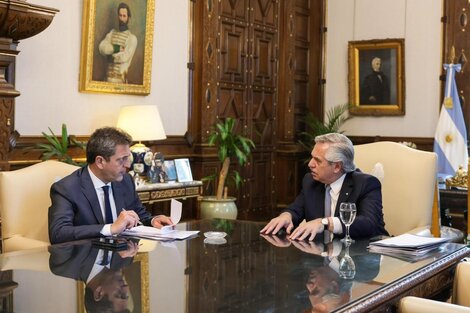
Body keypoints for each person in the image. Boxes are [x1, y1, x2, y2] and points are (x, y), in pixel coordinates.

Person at [48, 127, 173, 244]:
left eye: (128, 158)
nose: (128, 165)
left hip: (120, 258)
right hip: (84, 262)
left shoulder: (126, 180)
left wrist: (153, 220)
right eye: (121, 159)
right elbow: (58, 233)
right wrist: (111, 228)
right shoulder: (66, 189)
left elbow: (139, 214)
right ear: (100, 162)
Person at [260, 133, 388, 241]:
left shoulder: (366, 184)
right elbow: (296, 209)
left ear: (337, 166)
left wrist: (325, 223)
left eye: (318, 160)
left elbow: (368, 224)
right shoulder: (310, 181)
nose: (310, 164)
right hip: (321, 257)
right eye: (312, 158)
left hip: (362, 257)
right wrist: (286, 216)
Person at [49, 239, 139, 313]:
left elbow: (62, 227)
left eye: (119, 294)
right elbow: (139, 222)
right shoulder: (125, 260)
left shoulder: (64, 265)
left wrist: (110, 230)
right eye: (126, 295)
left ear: (99, 292)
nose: (126, 288)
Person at [98, 2, 137, 83]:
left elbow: (124, 56)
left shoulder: (132, 38)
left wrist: (110, 57)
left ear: (128, 18)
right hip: (107, 80)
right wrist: (116, 48)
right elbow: (101, 47)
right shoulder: (112, 33)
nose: (121, 19)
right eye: (120, 15)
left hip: (120, 81)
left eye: (124, 16)